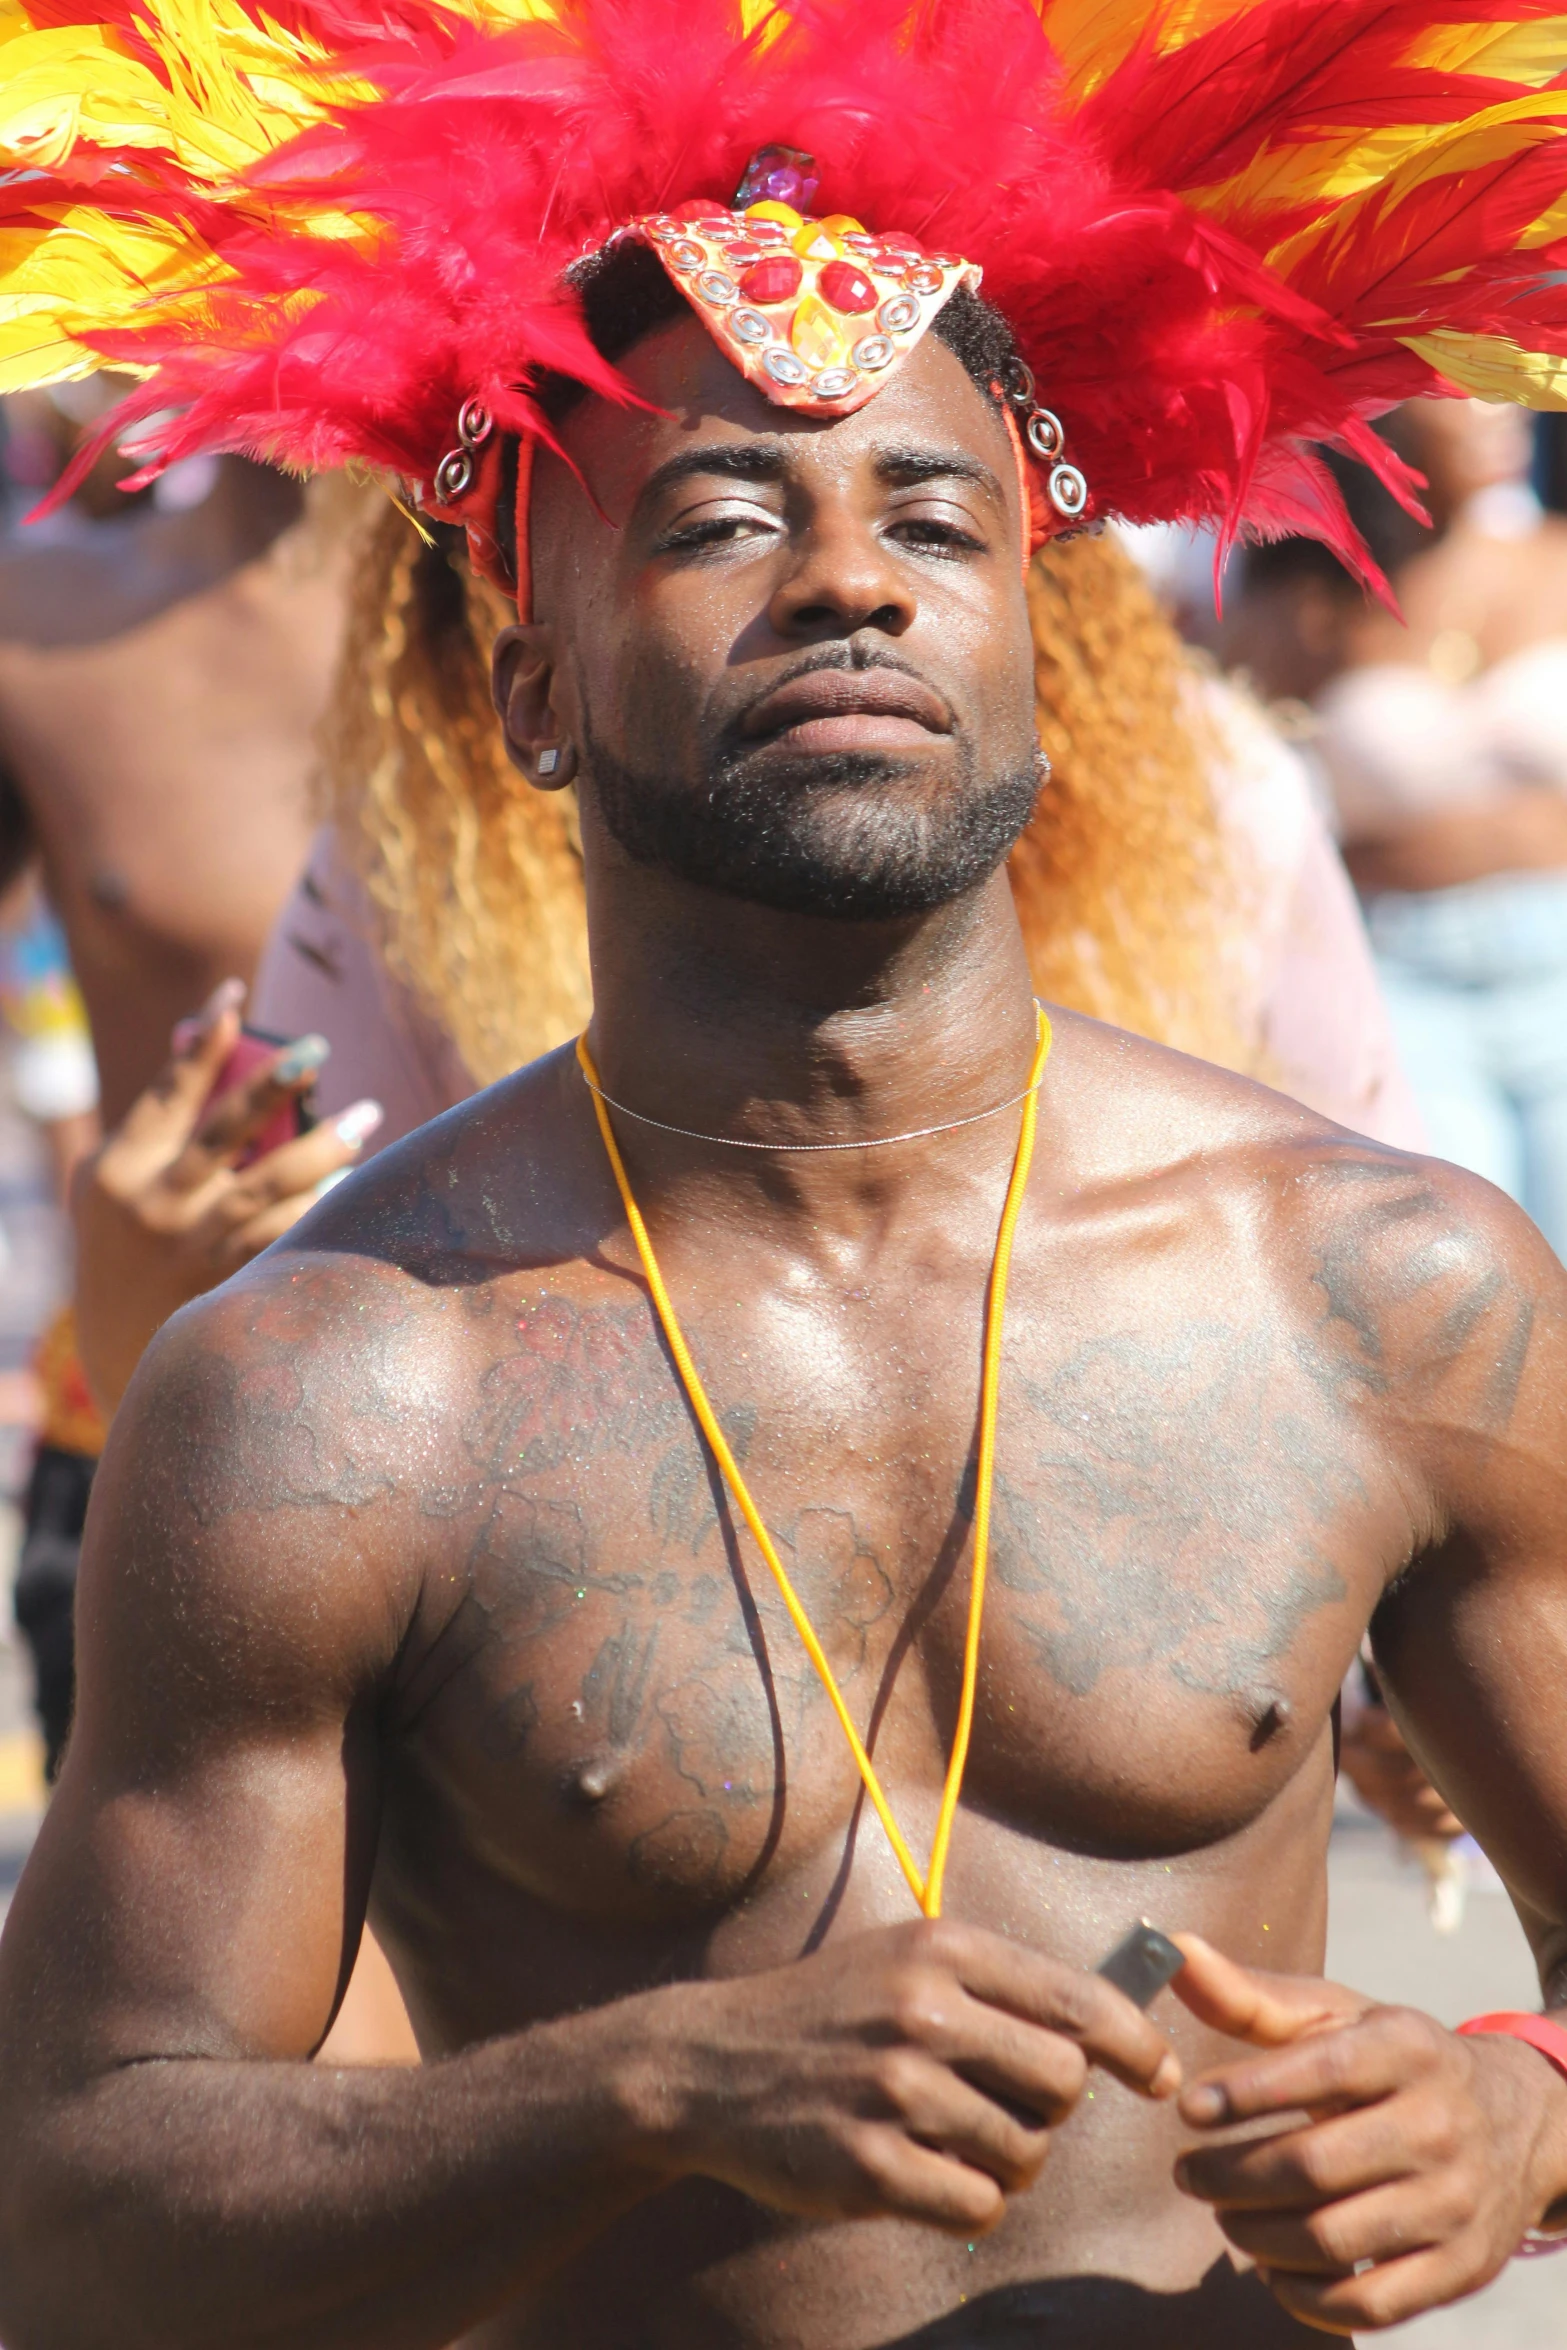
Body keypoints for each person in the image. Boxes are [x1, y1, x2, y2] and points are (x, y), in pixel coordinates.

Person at [4, 4, 1567, 2345]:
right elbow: (75, 2216)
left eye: (933, 518)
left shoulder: (1382, 1291)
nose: (850, 577)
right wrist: (630, 2083)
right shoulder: (330, 1390)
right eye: (726, 513)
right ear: (530, 685)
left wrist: (1513, 2112)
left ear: (1038, 649)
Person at [1228, 397, 1567, 1256]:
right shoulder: (1320, 600)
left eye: (1504, 395)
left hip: (1556, 952)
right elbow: (1231, 765)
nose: (1501, 416)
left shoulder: (1556, 561)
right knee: (1447, 1269)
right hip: (1399, 977)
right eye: (1461, 394)